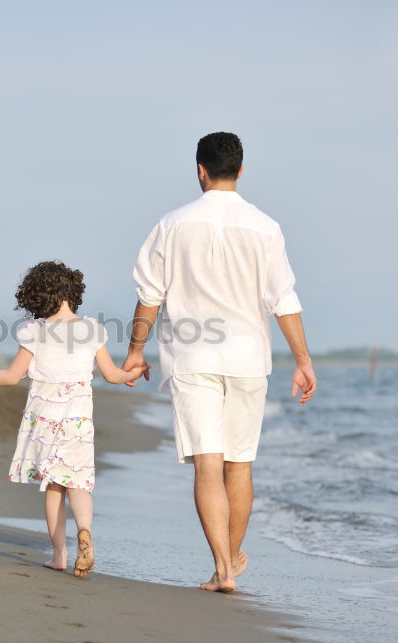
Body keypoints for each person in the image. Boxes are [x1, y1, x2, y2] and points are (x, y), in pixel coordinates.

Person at [123, 131, 317, 593]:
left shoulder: (172, 224)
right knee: (240, 465)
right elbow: (282, 300)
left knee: (208, 465)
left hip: (193, 360)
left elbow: (149, 297)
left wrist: (135, 351)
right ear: (242, 170)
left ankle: (224, 570)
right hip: (249, 359)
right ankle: (227, 562)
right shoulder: (265, 227)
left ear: (200, 170)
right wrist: (304, 360)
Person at [0, 261, 146, 577]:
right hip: (78, 421)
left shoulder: (34, 330)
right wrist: (135, 372)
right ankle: (85, 530)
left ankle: (59, 554)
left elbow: (10, 376)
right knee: (79, 482)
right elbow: (112, 375)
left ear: (35, 298)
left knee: (54, 487)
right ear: (73, 293)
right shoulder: (92, 329)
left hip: (44, 420)